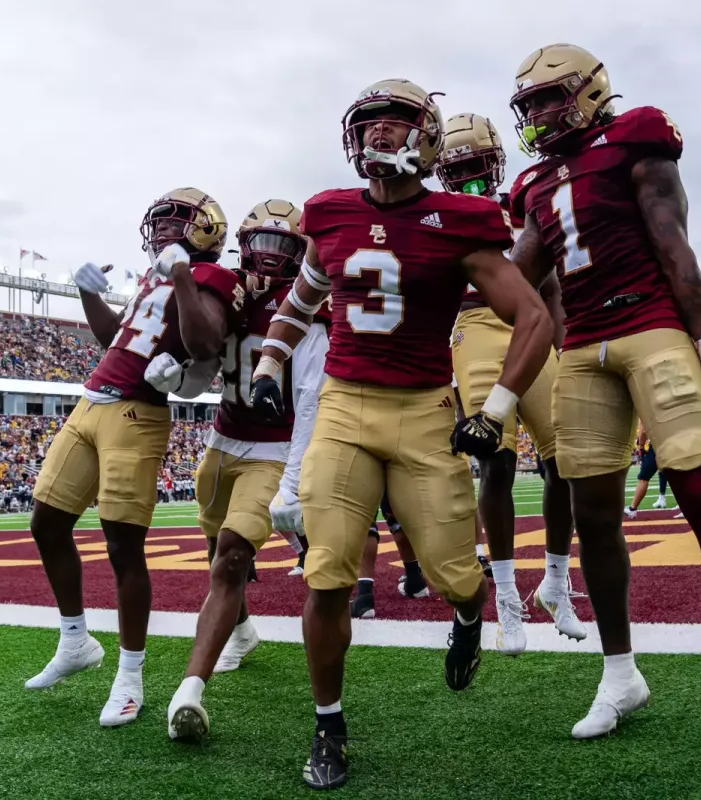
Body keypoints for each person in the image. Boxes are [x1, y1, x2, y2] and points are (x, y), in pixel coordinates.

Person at [247, 79, 553, 789]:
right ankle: (329, 724)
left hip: (422, 410)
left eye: (393, 123)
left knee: (454, 573)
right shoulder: (328, 213)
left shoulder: (462, 219)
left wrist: (497, 410)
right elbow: (300, 300)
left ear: (427, 135)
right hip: (345, 407)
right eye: (368, 125)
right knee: (325, 574)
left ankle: (472, 616)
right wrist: (269, 361)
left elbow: (532, 317)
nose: (378, 136)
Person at [507, 43, 701, 755]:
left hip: (652, 326)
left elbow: (675, 248)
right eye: (530, 103)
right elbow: (514, 276)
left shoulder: (636, 139)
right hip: (583, 349)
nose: (540, 113)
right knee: (593, 518)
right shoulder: (536, 183)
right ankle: (619, 674)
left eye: (550, 96)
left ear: (592, 90)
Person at [25, 188, 242, 728]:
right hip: (92, 400)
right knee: (46, 522)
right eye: (162, 221)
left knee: (124, 545)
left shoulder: (216, 277)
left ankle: (130, 676)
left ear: (205, 231)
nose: (166, 231)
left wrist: (186, 278)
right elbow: (112, 338)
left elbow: (206, 342)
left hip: (137, 414)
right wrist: (85, 293)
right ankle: (76, 641)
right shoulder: (154, 276)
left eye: (177, 221)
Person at [150, 200, 328, 742]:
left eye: (283, 248)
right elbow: (207, 368)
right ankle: (244, 631)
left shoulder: (306, 307)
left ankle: (190, 690)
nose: (270, 259)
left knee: (230, 557)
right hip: (223, 442)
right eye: (262, 245)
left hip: (272, 451)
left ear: (300, 255)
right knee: (215, 554)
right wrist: (177, 383)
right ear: (244, 243)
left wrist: (295, 478)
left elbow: (309, 394)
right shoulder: (231, 290)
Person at [437, 112, 582, 653]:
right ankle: (504, 595)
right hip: (473, 325)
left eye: (476, 168)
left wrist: (563, 344)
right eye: (459, 170)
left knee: (562, 458)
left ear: (495, 161)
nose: (470, 181)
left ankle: (555, 579)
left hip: (532, 325)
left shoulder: (524, 203)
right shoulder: (437, 215)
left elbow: (550, 288)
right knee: (493, 457)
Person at [624, 427, 669, 516]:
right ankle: (662, 498)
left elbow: (643, 430)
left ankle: (632, 508)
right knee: (668, 472)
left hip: (657, 444)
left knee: (643, 478)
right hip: (673, 442)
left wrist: (641, 447)